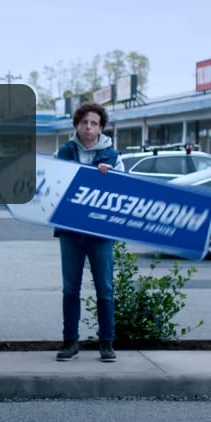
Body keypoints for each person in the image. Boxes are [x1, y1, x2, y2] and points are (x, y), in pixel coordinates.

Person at [54, 102, 124, 363]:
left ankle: (107, 343)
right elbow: (54, 187)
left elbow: (124, 191)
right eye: (84, 122)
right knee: (70, 288)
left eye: (94, 123)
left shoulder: (113, 156)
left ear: (101, 128)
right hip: (71, 229)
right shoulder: (63, 152)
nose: (88, 127)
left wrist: (110, 177)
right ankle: (70, 341)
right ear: (77, 125)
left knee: (104, 288)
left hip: (100, 231)